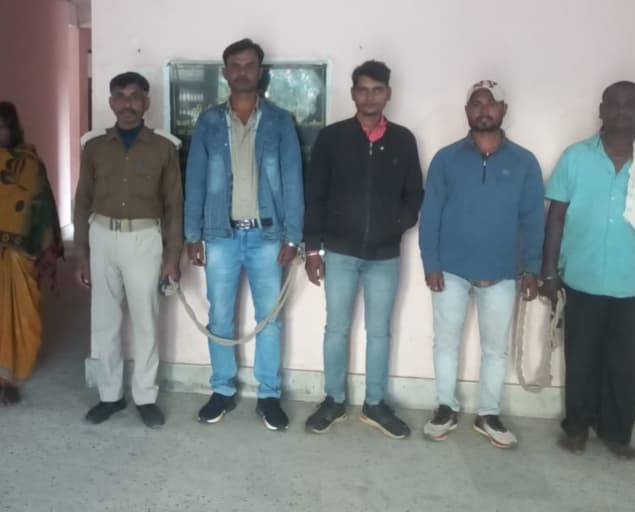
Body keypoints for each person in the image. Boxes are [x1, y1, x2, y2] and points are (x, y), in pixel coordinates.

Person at [540, 81, 635, 460]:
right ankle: (577, 428)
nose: (622, 110)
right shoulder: (576, 157)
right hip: (582, 278)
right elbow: (555, 217)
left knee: (626, 363)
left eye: (630, 103)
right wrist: (548, 272)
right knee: (581, 358)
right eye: (614, 103)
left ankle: (617, 432)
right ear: (602, 109)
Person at [184, 38, 304, 431]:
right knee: (220, 316)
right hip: (220, 236)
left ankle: (268, 395)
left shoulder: (280, 122)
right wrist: (192, 234)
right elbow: (195, 181)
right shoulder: (208, 122)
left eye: (249, 65)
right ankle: (222, 390)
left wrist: (293, 236)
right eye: (234, 65)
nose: (242, 72)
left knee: (269, 319)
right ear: (224, 72)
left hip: (267, 238)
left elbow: (292, 181)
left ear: (260, 72)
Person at [419, 80, 544, 448]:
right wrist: (431, 263)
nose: (483, 109)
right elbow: (431, 215)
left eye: (491, 103)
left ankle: (488, 413)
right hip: (450, 270)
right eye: (476, 103)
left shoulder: (524, 162)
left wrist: (532, 268)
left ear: (503, 110)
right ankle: (445, 407)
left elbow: (533, 219)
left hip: (503, 271)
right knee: (446, 343)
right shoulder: (446, 159)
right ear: (467, 111)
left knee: (495, 348)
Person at [303, 60, 423, 439]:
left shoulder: (403, 139)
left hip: (384, 256)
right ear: (353, 93)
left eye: (377, 90)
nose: (370, 97)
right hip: (339, 252)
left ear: (388, 93)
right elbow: (315, 195)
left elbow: (414, 195)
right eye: (363, 89)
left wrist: (395, 225)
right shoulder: (332, 138)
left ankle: (375, 403)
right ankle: (334, 400)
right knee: (336, 329)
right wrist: (312, 249)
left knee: (380, 331)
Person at [74, 72, 183, 428]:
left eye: (135, 96)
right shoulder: (94, 147)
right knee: (104, 321)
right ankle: (110, 395)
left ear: (146, 102)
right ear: (110, 103)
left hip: (144, 239)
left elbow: (174, 206)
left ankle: (145, 396)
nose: (127, 104)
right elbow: (82, 202)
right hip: (102, 237)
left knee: (146, 321)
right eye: (120, 96)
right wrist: (82, 253)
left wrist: (172, 257)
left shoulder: (164, 148)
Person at [0, 101, 64, 405]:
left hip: (20, 255)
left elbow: (44, 208)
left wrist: (43, 247)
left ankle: (8, 377)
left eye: (4, 127)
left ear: (14, 129)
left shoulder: (30, 165)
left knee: (22, 317)